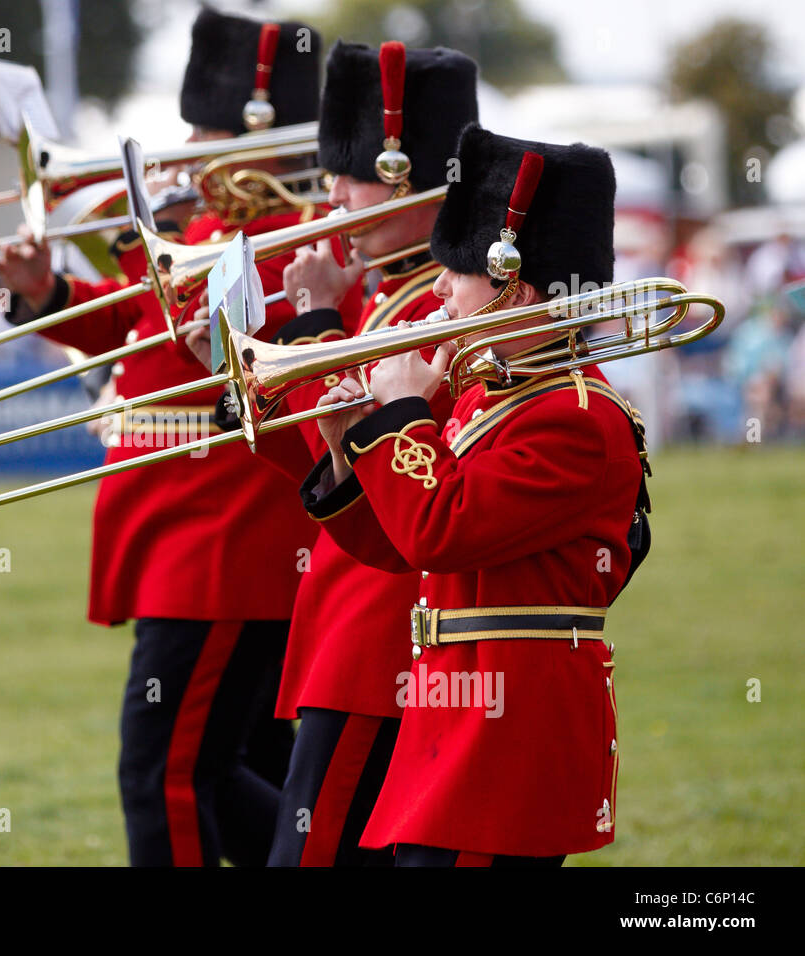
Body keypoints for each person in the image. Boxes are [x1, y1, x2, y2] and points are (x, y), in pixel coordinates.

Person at [0, 6, 336, 867]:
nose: (188, 143)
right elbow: (138, 332)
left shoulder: (295, 236)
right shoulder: (207, 230)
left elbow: (284, 373)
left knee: (164, 774)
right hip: (181, 528)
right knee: (231, 764)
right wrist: (47, 294)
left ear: (263, 129)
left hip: (223, 536)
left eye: (207, 127)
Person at [301, 124, 650, 866]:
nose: (437, 290)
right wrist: (346, 443)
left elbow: (442, 531)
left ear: (513, 291)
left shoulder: (575, 418)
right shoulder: (488, 394)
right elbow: (399, 550)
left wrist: (400, 418)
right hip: (451, 708)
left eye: (456, 273)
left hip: (509, 728)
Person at [247, 41, 478, 867]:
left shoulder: (439, 306)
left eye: (350, 174)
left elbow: (365, 445)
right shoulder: (385, 293)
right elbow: (316, 465)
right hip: (346, 621)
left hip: (378, 628)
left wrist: (312, 324)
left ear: (406, 171)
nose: (333, 197)